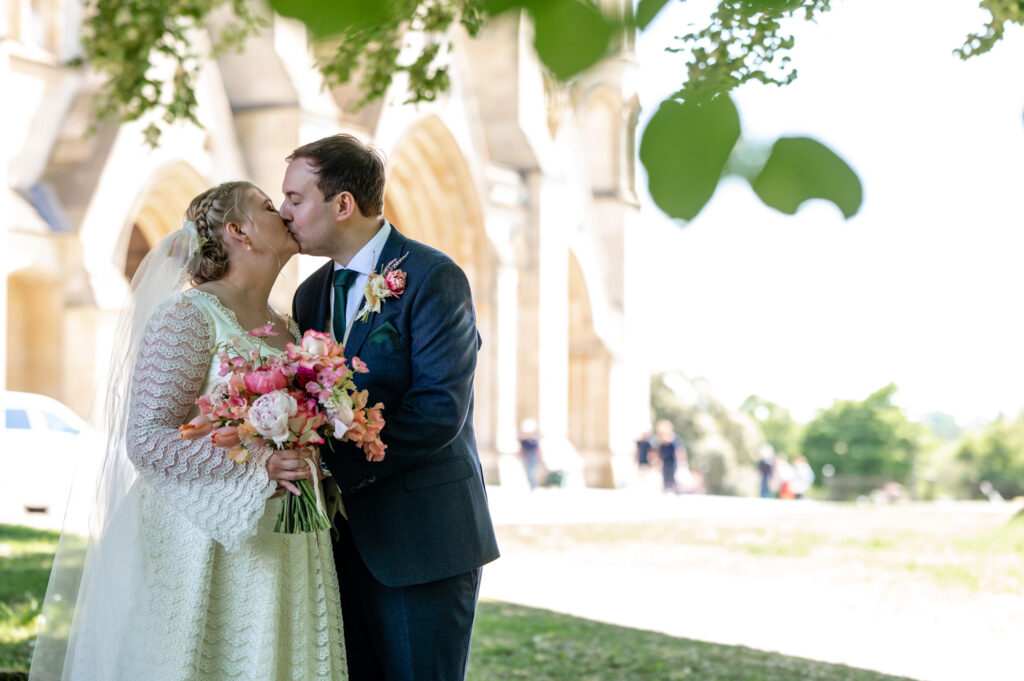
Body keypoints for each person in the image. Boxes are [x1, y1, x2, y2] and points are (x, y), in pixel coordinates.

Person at [29, 182, 348, 681]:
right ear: (238, 231)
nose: (284, 212)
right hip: (200, 544)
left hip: (286, 543)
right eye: (268, 205)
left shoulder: (290, 328)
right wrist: (259, 463)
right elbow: (147, 439)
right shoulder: (187, 316)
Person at [283, 134, 500, 681]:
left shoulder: (434, 278)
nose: (283, 212)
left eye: (294, 198)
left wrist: (327, 466)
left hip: (421, 540)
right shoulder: (309, 295)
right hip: (332, 545)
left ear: (342, 204)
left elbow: (437, 411)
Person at [654, 419, 688, 494]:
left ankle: (677, 491)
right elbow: (659, 453)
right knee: (666, 481)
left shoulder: (674, 439)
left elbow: (679, 451)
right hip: (665, 463)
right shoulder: (661, 441)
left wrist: (682, 462)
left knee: (674, 480)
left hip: (674, 463)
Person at [518, 418, 542, 490]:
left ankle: (533, 486)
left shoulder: (534, 440)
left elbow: (538, 449)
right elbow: (521, 449)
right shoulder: (523, 441)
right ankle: (532, 486)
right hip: (526, 458)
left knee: (532, 473)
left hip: (533, 459)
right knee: (528, 473)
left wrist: (541, 458)